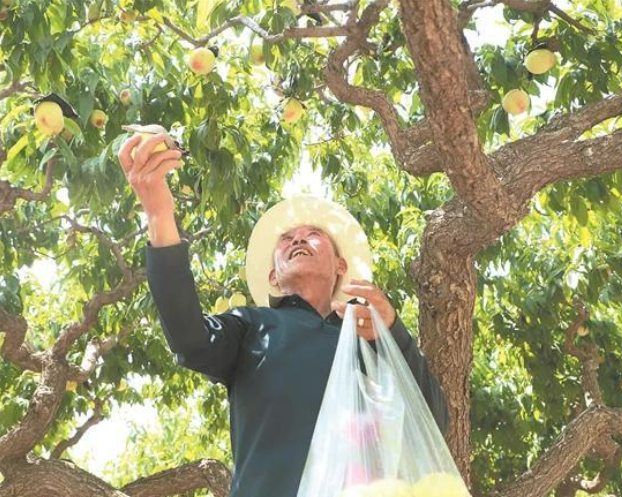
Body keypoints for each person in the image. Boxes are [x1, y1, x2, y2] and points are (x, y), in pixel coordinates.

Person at [118, 132, 449, 497]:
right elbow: (189, 340)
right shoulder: (252, 325)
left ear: (340, 265)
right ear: (274, 277)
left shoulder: (367, 337)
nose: (298, 240)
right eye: (287, 238)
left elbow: (433, 420)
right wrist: (159, 214)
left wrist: (392, 333)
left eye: (313, 234)